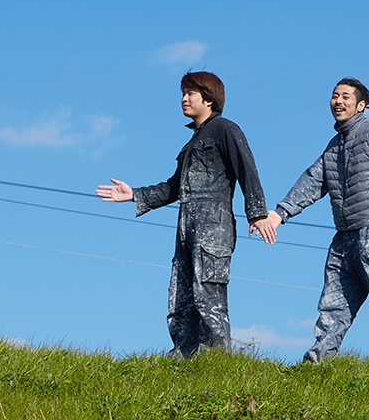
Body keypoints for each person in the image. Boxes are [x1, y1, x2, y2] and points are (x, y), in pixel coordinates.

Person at [253, 77, 369, 363]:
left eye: (346, 96)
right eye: (335, 95)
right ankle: (319, 360)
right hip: (344, 236)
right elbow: (313, 181)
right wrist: (280, 213)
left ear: (361, 105)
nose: (338, 101)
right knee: (333, 303)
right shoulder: (334, 145)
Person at [95, 71, 272, 358]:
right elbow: (174, 187)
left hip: (213, 229)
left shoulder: (226, 129)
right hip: (185, 229)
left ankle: (216, 361)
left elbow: (246, 171)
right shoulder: (191, 144)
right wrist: (135, 194)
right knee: (181, 297)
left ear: (209, 98)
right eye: (183, 93)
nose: (184, 99)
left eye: (191, 93)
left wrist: (257, 213)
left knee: (208, 297)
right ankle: (183, 357)